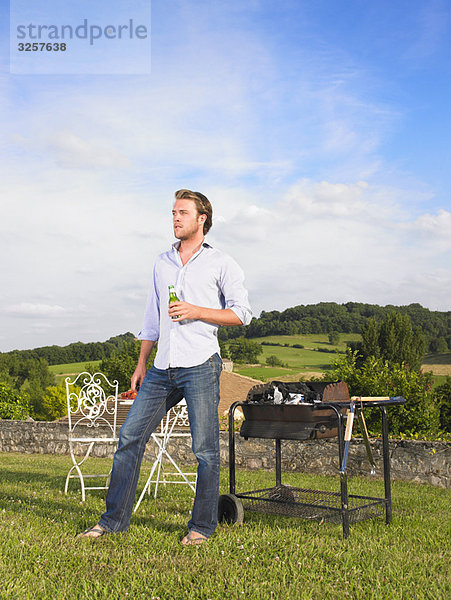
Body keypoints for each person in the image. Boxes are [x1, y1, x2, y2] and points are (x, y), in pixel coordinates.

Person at [79, 189, 252, 545]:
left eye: (183, 213)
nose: (175, 218)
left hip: (201, 364)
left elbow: (241, 313)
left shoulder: (221, 263)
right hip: (161, 368)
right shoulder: (162, 262)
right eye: (173, 212)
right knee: (129, 437)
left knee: (205, 450)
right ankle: (112, 522)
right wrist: (141, 363)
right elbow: (152, 318)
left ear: (202, 219)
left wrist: (197, 311)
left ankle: (201, 527)